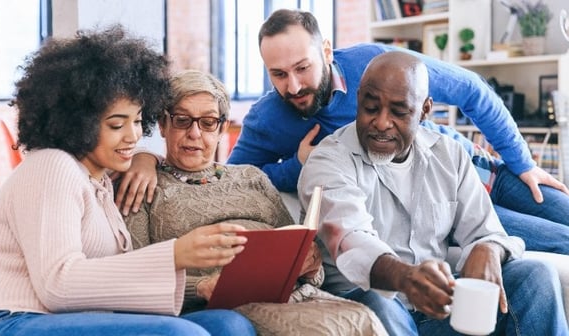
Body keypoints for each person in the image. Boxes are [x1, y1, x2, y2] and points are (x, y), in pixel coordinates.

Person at [0, 26, 256, 336]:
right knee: (184, 335)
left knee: (230, 325)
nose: (133, 135)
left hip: (72, 318)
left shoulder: (102, 182)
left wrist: (147, 158)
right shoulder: (52, 166)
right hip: (10, 320)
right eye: (117, 124)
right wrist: (175, 255)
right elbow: (57, 284)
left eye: (136, 120)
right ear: (76, 123)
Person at [222, 8, 569, 254]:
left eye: (302, 68)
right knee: (561, 240)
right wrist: (299, 165)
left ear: (325, 51)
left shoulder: (373, 64)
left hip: (475, 166)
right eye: (278, 74)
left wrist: (523, 164)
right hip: (444, 205)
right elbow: (235, 181)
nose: (294, 86)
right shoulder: (267, 118)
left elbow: (471, 90)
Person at [298, 50, 568, 335]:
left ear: (425, 110)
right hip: (364, 304)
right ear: (358, 100)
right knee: (379, 300)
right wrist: (405, 278)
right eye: (371, 107)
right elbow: (352, 241)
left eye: (399, 112)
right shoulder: (330, 160)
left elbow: (487, 230)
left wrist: (490, 248)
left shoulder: (448, 155)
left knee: (536, 276)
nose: (381, 122)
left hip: (439, 312)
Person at [121, 69, 388, 335]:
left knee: (367, 320)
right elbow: (136, 277)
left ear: (222, 128)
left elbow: (298, 250)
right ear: (163, 125)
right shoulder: (144, 185)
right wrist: (201, 286)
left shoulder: (252, 177)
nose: (195, 133)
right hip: (223, 307)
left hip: (298, 295)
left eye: (208, 122)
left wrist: (311, 263)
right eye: (182, 121)